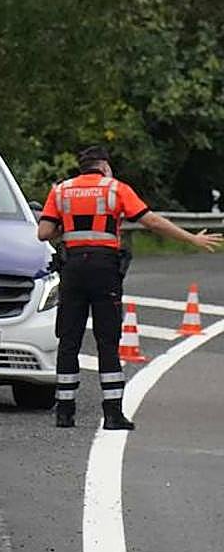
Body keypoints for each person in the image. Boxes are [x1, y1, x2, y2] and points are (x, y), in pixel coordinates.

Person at [38, 146, 221, 429]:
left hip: (73, 269)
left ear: (81, 167)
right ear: (105, 167)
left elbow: (44, 233)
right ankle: (112, 414)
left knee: (69, 340)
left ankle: (65, 411)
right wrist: (191, 239)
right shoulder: (116, 189)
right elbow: (152, 221)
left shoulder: (61, 191)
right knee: (107, 341)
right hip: (104, 269)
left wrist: (71, 229)